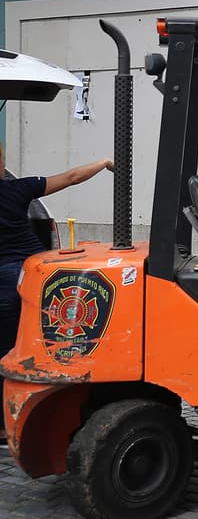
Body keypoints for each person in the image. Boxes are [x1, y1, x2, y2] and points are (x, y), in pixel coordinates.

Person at [0, 144, 113, 359]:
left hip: (7, 284)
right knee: (45, 341)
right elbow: (72, 177)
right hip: (38, 276)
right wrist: (104, 162)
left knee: (7, 350)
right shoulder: (19, 188)